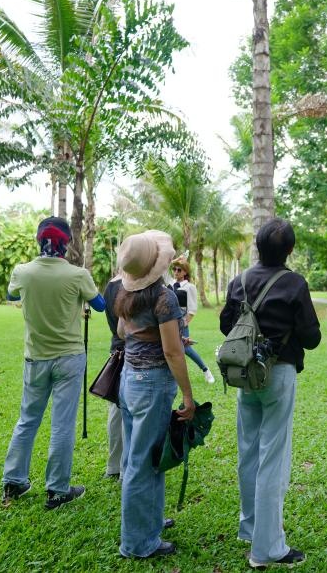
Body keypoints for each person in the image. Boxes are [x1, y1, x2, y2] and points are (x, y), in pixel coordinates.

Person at [219, 218, 321, 570]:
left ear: (257, 247)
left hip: (245, 372)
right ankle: (267, 549)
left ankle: (249, 528)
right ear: (289, 250)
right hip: (278, 373)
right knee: (272, 458)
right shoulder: (294, 284)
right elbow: (312, 338)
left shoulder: (240, 280)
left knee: (248, 451)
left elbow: (225, 324)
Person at [1, 217, 105, 510]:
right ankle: (57, 489)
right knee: (62, 424)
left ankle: (13, 481)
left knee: (27, 419)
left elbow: (11, 294)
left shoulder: (23, 271)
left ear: (39, 240)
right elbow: (100, 305)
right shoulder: (78, 274)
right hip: (70, 358)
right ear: (67, 243)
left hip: (35, 358)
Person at [115, 230, 195, 559]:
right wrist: (188, 398)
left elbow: (124, 332)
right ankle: (137, 543)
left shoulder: (126, 293)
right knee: (141, 463)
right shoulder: (164, 297)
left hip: (129, 380)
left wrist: (165, 335)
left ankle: (151, 522)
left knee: (150, 458)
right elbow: (173, 353)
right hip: (152, 384)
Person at [170, 257, 215, 384]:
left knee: (186, 349)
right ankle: (172, 375)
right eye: (174, 269)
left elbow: (192, 310)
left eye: (179, 270)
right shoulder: (169, 284)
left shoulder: (190, 287)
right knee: (168, 347)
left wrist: (184, 323)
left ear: (185, 272)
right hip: (168, 320)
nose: (176, 272)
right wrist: (176, 260)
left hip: (182, 319)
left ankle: (206, 370)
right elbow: (162, 268)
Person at [101, 269, 126, 480]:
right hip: (132, 352)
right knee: (127, 411)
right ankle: (125, 467)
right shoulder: (130, 284)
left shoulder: (110, 285)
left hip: (116, 350)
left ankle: (114, 465)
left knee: (116, 411)